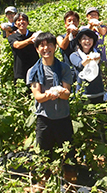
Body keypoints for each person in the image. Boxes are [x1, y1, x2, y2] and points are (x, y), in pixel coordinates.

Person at [26, 33, 74, 169]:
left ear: (55, 47)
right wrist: (49, 94)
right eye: (42, 46)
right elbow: (38, 97)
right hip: (44, 118)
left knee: (67, 154)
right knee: (44, 154)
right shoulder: (33, 71)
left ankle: (69, 183)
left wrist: (59, 93)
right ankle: (45, 183)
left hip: (63, 117)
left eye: (49, 45)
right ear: (37, 49)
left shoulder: (64, 68)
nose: (46, 48)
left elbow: (66, 94)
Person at [70, 28, 107, 104]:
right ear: (79, 41)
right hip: (83, 93)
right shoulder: (74, 55)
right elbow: (80, 65)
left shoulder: (98, 53)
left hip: (98, 91)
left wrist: (96, 58)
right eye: (84, 39)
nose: (87, 41)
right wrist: (89, 59)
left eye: (90, 38)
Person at [7, 13, 39, 84]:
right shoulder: (12, 37)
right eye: (19, 20)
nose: (21, 22)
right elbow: (17, 45)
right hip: (20, 70)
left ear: (28, 22)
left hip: (35, 68)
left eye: (24, 20)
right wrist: (29, 40)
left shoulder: (34, 35)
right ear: (15, 24)